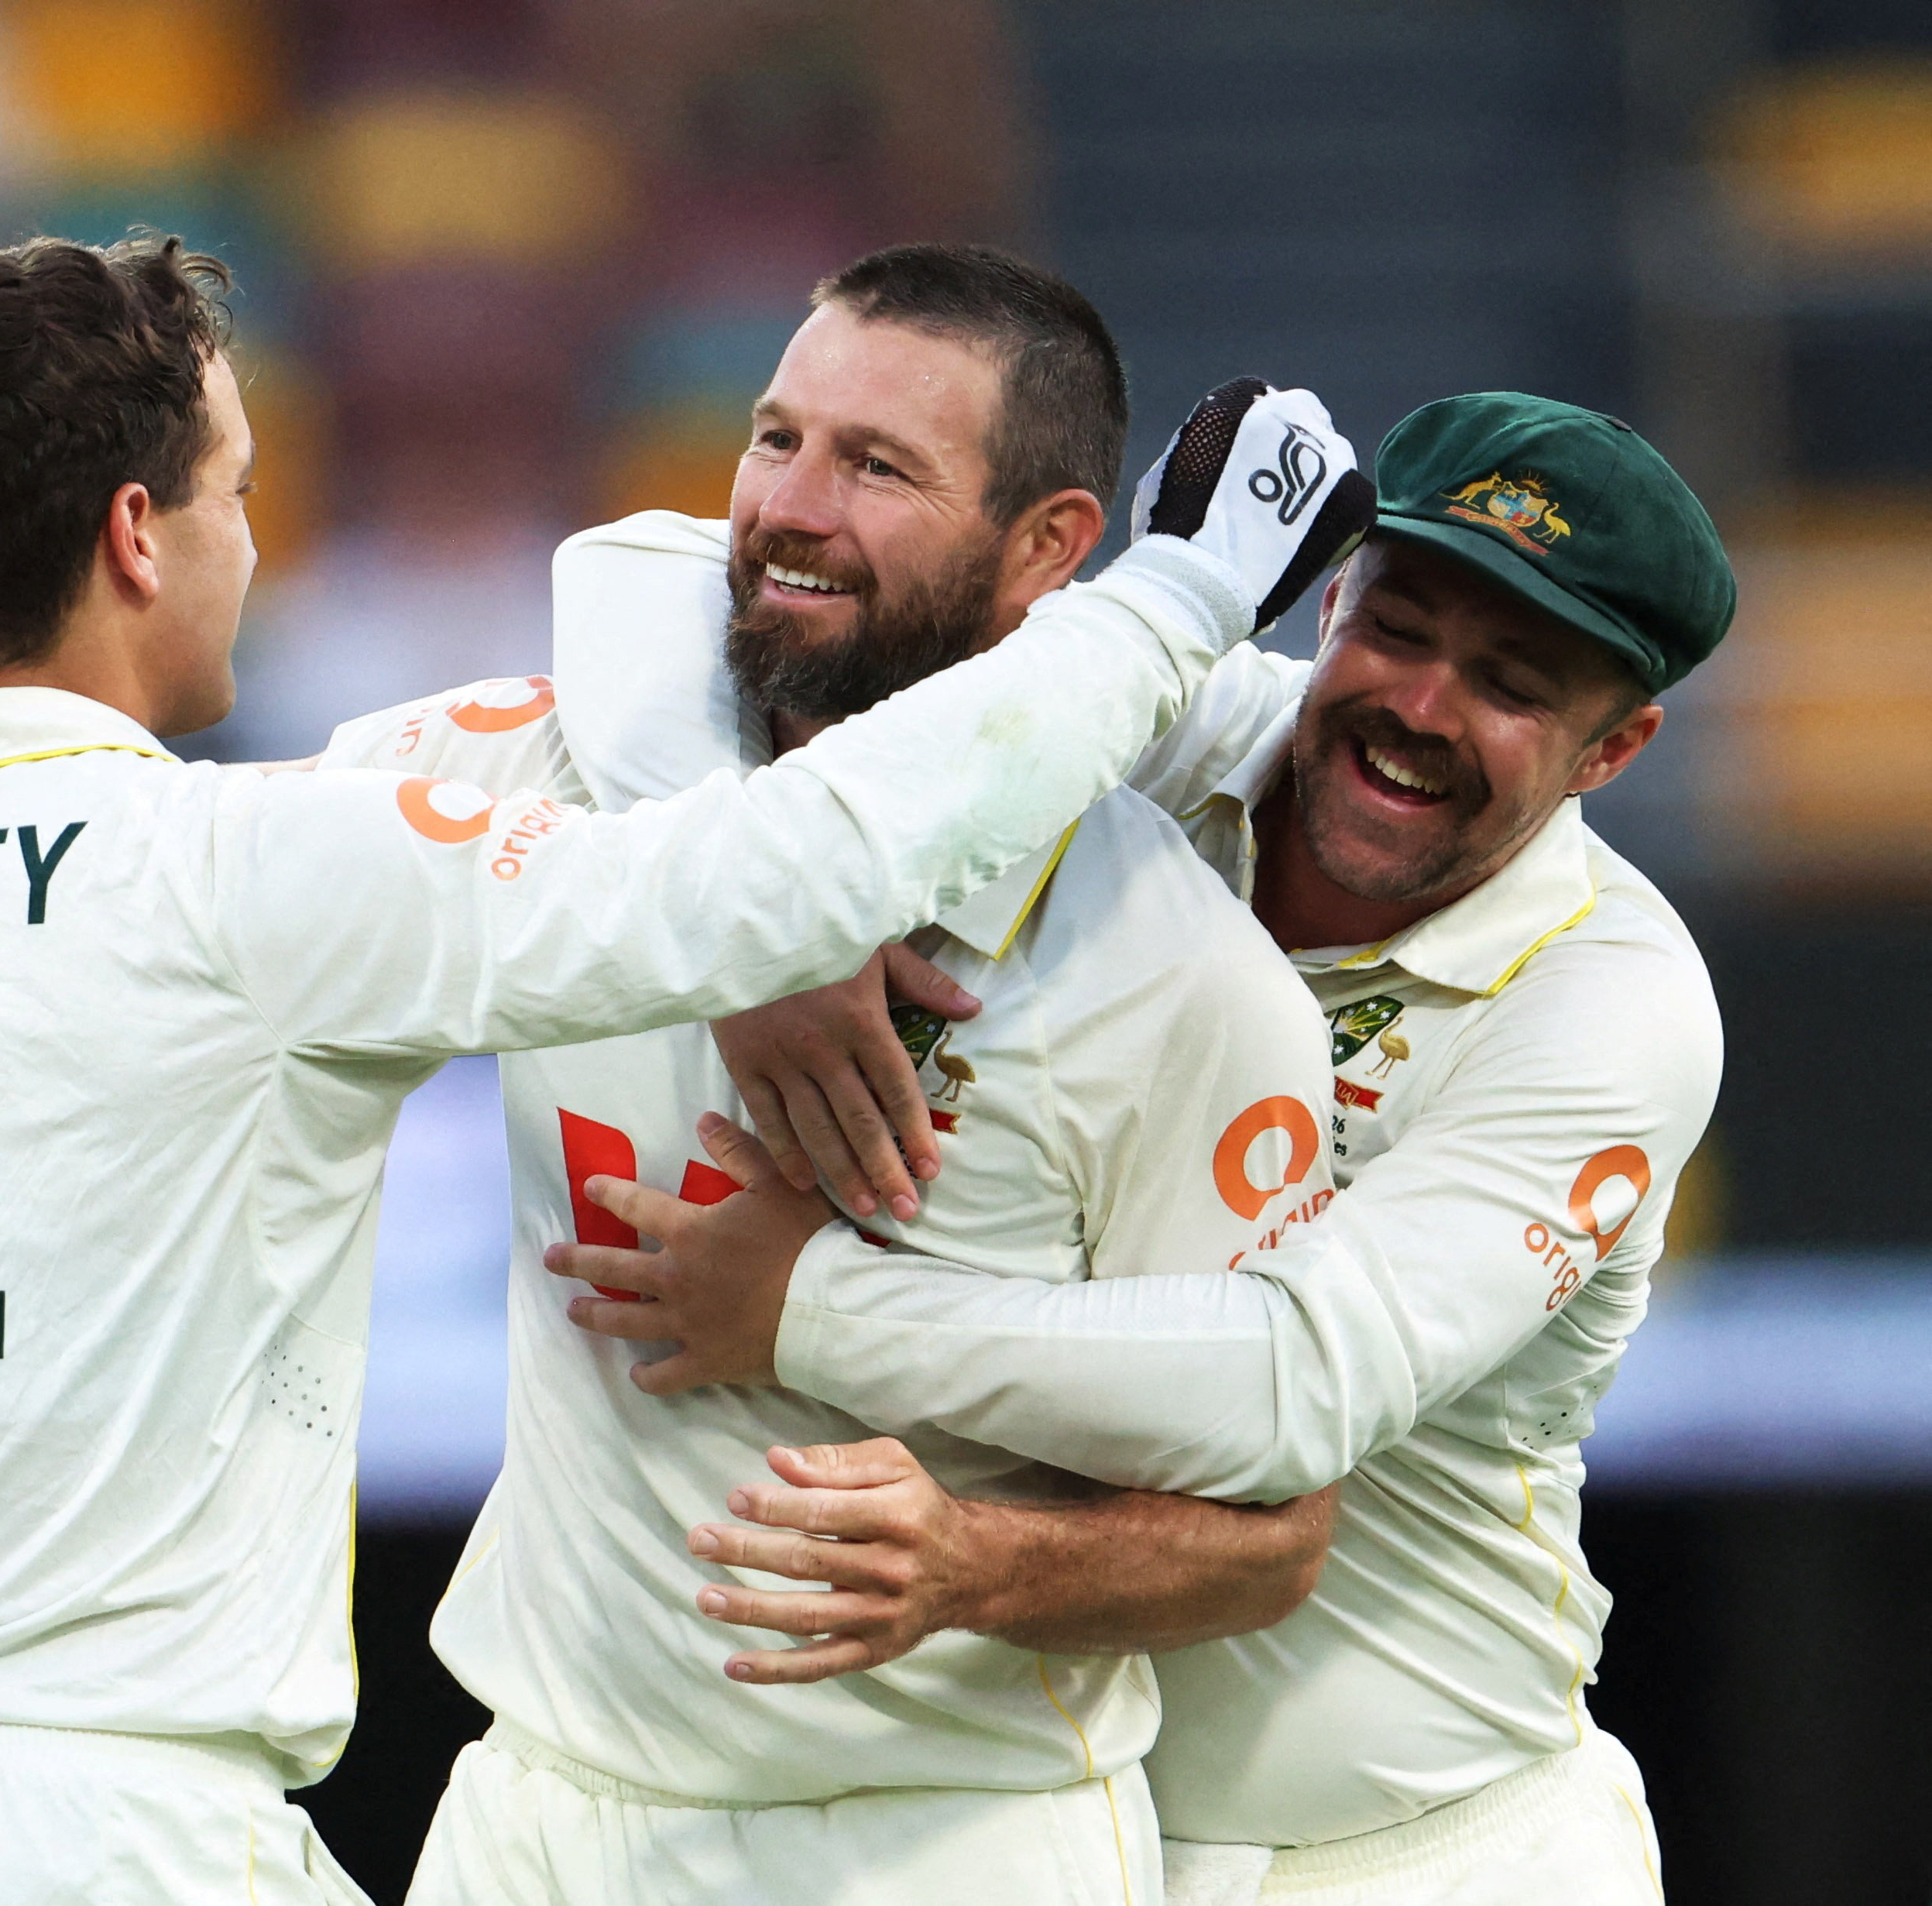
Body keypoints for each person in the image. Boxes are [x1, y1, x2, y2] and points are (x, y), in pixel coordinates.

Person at [0, 232, 1349, 1904]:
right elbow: (767, 871)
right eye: (229, 488)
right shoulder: (264, 876)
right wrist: (1177, 592)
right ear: (135, 533)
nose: (252, 540)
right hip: (138, 1832)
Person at [565, 391, 1730, 1906]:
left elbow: (1293, 1384)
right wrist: (761, 916)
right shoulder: (1169, 720)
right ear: (1331, 599)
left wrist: (801, 1308)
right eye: (1401, 629)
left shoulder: (1612, 1002)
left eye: (1512, 683)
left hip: (1422, 1856)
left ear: (1614, 748)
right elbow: (635, 580)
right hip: (1041, 1838)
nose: (1423, 708)